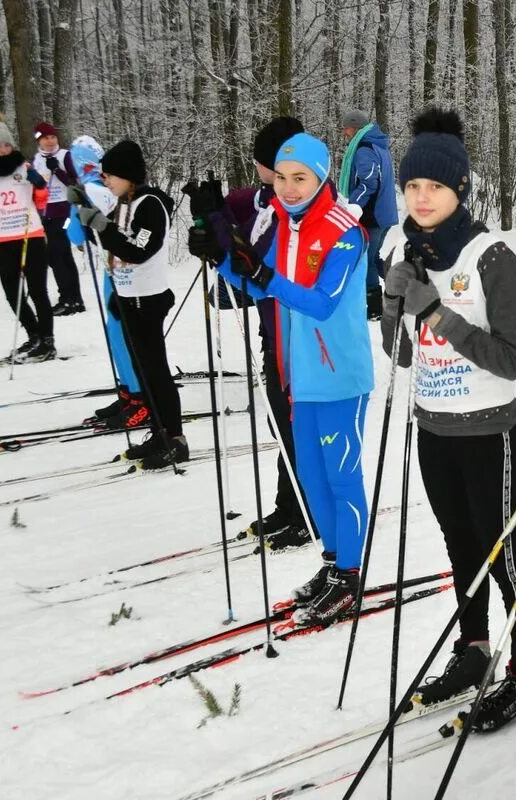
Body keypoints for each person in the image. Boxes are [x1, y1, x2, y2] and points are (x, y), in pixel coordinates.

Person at [381, 108, 516, 731]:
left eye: (436, 188)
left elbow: (511, 359)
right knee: (461, 550)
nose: (422, 199)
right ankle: (474, 652)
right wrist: (392, 307)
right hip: (434, 430)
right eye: (413, 187)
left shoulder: (493, 257)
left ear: (459, 190)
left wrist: (439, 312)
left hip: (488, 431)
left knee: (505, 558)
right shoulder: (404, 249)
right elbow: (400, 356)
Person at [188, 132, 373, 624]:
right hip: (300, 376)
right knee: (310, 477)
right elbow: (255, 281)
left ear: (321, 176)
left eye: (301, 179)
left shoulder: (345, 229)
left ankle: (351, 575)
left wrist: (263, 276)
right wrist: (219, 250)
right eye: (284, 178)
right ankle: (333, 564)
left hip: (340, 376)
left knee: (341, 476)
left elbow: (321, 301)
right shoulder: (287, 227)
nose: (289, 188)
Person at [196, 116, 312, 552]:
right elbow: (236, 210)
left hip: (297, 335)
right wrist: (210, 211)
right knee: (280, 421)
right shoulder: (264, 197)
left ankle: (306, 510)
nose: (261, 171)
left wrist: (223, 236)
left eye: (265, 162)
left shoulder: (290, 208)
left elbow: (257, 258)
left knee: (295, 423)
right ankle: (290, 505)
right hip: (272, 331)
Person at [75, 140, 185, 469]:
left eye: (109, 174)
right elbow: (109, 243)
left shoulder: (149, 204)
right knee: (143, 371)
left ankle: (175, 438)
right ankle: (158, 432)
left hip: (148, 300)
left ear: (127, 174)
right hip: (129, 297)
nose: (105, 180)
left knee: (156, 371)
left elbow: (137, 250)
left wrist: (100, 224)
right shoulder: (125, 202)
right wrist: (86, 215)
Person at [65, 135, 149, 430]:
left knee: (123, 334)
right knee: (115, 335)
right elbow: (78, 236)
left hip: (124, 272)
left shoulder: (105, 190)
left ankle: (141, 398)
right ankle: (128, 392)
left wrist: (83, 208)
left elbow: (81, 235)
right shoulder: (97, 188)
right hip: (110, 268)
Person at [0, 108, 55, 362]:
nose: (2, 149)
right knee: (12, 292)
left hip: (29, 234)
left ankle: (48, 341)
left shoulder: (24, 166)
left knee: (38, 290)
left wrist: (39, 184)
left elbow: (41, 201)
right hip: (4, 239)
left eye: (6, 144)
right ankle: (34, 335)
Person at [340, 109, 397, 319]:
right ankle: (405, 288)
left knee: (367, 259)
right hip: (383, 213)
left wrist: (353, 206)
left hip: (373, 215)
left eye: (346, 128)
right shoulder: (378, 145)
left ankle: (374, 309)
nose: (344, 132)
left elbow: (368, 182)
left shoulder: (364, 149)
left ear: (355, 127)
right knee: (373, 256)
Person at [32, 121, 85, 315]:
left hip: (65, 211)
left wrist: (57, 170)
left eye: (53, 136)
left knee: (56, 254)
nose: (50, 140)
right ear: (39, 140)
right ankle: (74, 299)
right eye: (46, 137)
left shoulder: (64, 156)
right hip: (46, 213)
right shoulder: (37, 159)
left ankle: (68, 299)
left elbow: (76, 183)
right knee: (62, 256)